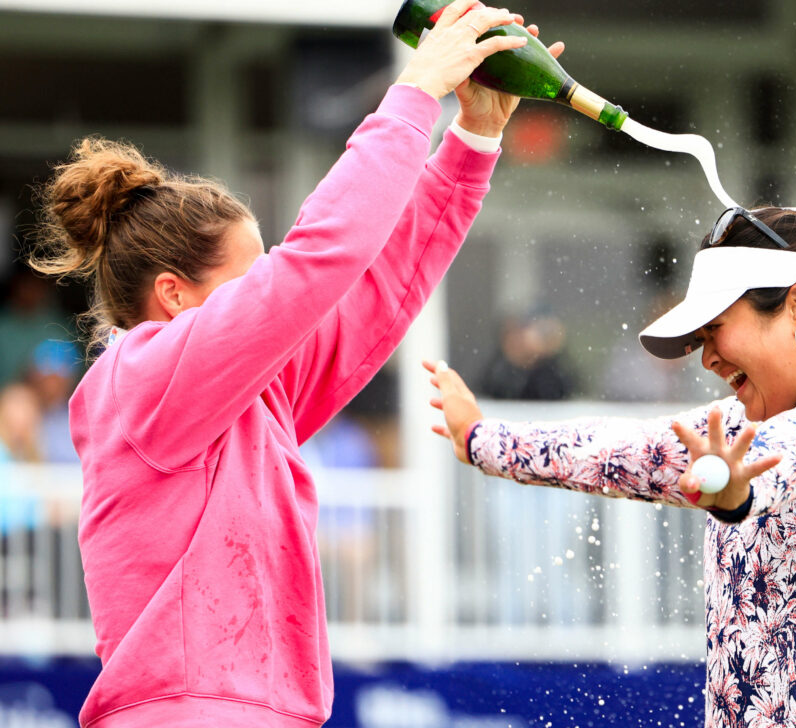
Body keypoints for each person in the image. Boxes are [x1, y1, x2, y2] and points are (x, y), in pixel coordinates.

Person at [28, 2, 563, 725]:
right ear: (173, 296)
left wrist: (474, 135)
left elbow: (378, 286)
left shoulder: (250, 394)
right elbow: (321, 257)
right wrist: (415, 90)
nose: (272, 294)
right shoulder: (141, 376)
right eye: (252, 279)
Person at [427, 205, 796, 727]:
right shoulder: (759, 420)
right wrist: (483, 439)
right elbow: (630, 451)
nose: (707, 357)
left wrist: (737, 491)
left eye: (715, 329)